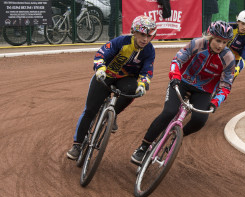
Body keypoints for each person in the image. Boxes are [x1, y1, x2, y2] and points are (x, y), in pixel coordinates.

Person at [131, 20, 236, 165]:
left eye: (225, 43)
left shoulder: (228, 58)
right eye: (218, 41)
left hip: (203, 91)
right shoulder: (197, 44)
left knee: (199, 120)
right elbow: (177, 60)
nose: (220, 45)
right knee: (169, 111)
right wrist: (175, 76)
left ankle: (177, 138)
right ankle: (142, 147)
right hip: (181, 82)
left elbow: (226, 85)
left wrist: (215, 101)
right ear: (210, 37)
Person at [67, 15, 157, 160]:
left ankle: (113, 113)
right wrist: (100, 68)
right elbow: (101, 54)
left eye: (149, 36)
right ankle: (77, 145)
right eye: (142, 34)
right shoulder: (121, 41)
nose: (145, 39)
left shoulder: (149, 50)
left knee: (133, 89)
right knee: (90, 110)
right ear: (134, 32)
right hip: (106, 75)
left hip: (125, 80)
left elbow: (147, 71)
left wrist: (143, 84)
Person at [227, 10, 245, 80]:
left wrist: (237, 70)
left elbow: (244, 57)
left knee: (228, 81)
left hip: (234, 60)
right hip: (221, 54)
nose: (244, 27)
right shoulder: (229, 27)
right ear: (238, 21)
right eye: (242, 23)